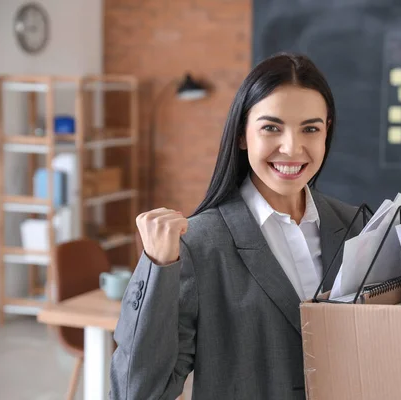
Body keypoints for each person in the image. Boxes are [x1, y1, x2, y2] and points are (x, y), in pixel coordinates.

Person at [109, 52, 363, 400]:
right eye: (271, 127)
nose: (292, 147)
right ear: (242, 134)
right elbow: (137, 393)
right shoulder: (197, 245)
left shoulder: (357, 227)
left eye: (311, 128)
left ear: (326, 131)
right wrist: (157, 268)